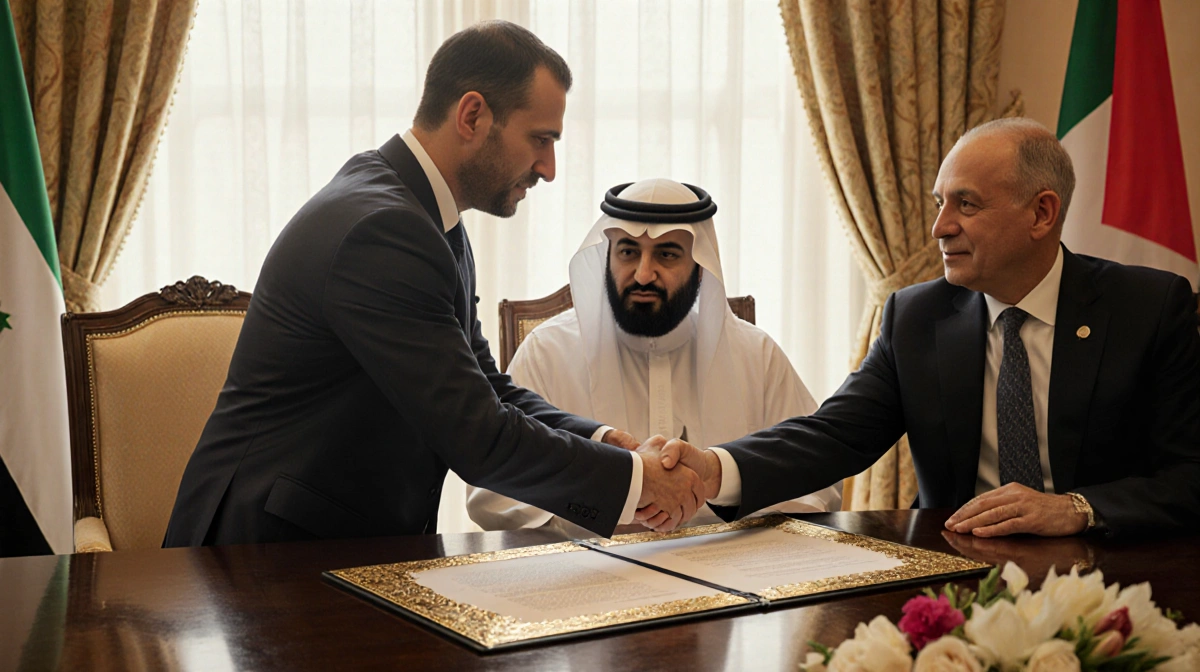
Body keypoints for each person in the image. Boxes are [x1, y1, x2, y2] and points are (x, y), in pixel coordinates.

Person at [163, 21, 706, 547]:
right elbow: (479, 438)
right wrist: (636, 481)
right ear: (472, 115)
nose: (549, 168)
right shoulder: (384, 229)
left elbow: (487, 387)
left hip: (335, 544)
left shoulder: (425, 217)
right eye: (540, 139)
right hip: (262, 557)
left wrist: (606, 440)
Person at [649, 117, 1200, 538]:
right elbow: (834, 436)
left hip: (1109, 571)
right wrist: (714, 468)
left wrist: (1076, 509)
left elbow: (1188, 476)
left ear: (1041, 214)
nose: (940, 227)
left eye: (967, 204)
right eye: (940, 203)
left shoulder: (1147, 309)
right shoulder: (917, 317)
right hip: (954, 569)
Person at [467, 179, 842, 537]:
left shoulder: (756, 355)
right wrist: (615, 500)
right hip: (588, 574)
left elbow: (816, 484)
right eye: (629, 252)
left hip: (726, 577)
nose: (644, 274)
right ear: (607, 258)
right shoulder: (548, 351)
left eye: (667, 254)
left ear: (700, 269)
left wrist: (721, 489)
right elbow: (494, 496)